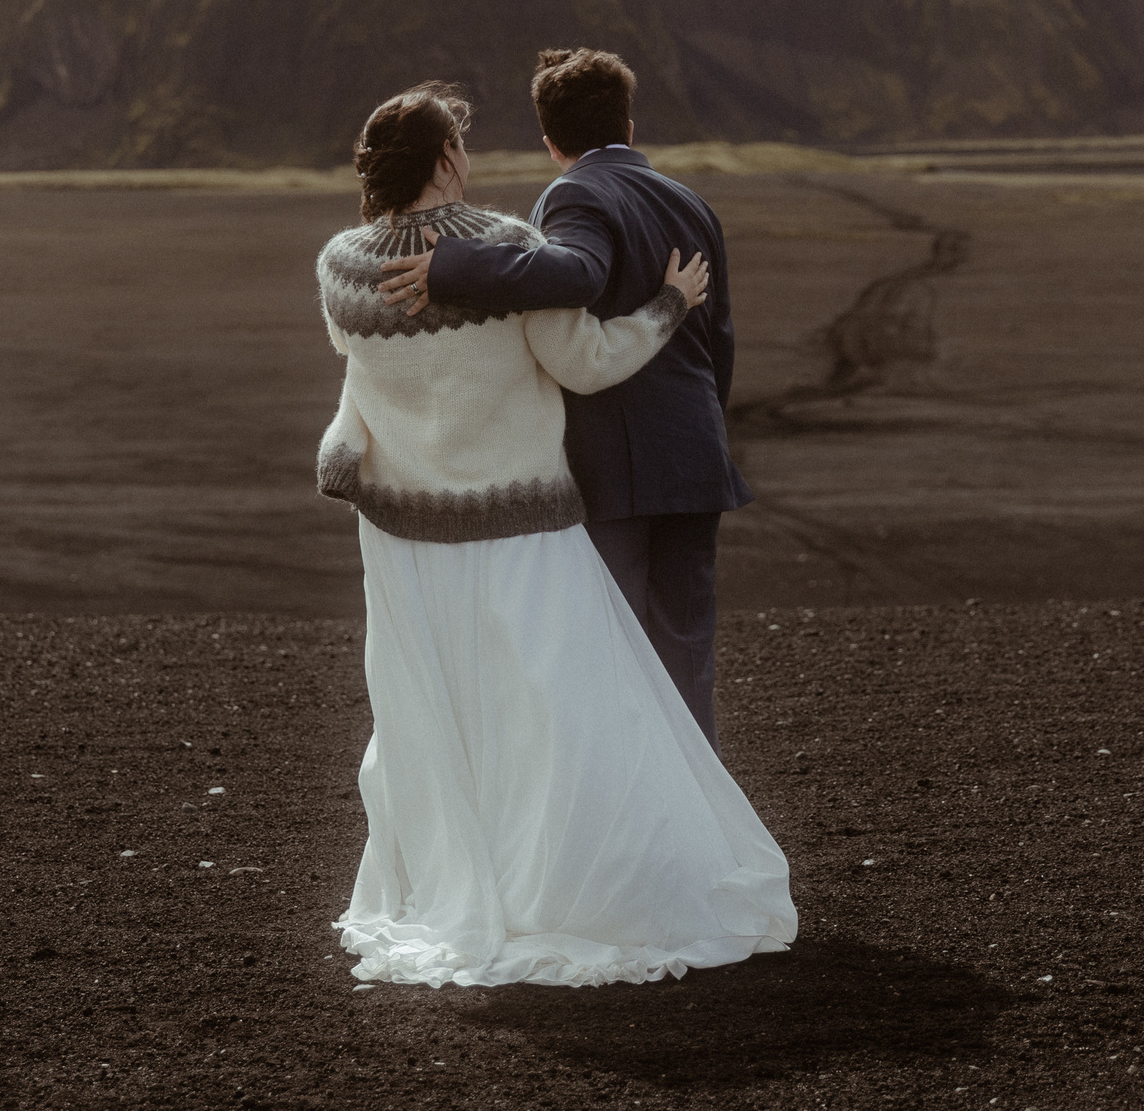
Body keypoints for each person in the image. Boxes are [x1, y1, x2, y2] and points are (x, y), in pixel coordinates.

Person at [317, 81, 795, 988]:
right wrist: (666, 303)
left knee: (438, 715)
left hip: (403, 541)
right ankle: (567, 889)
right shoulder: (508, 248)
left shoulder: (341, 266)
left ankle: (456, 885)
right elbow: (585, 361)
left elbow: (371, 382)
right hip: (519, 527)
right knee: (554, 715)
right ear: (449, 160)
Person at [375, 47, 748, 748]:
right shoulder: (693, 203)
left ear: (550, 141)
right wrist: (704, 435)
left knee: (608, 656)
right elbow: (718, 341)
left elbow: (574, 274)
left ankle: (633, 833)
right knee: (686, 655)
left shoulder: (574, 194)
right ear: (630, 127)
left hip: (614, 468)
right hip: (696, 460)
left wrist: (453, 264)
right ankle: (704, 834)